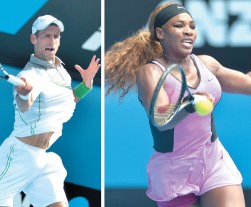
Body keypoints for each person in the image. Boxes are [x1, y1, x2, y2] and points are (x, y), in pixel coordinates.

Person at [105, 2, 251, 207]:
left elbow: (247, 83)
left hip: (213, 160)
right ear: (160, 33)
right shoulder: (150, 72)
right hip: (173, 172)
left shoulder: (208, 64)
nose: (188, 31)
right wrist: (190, 103)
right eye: (179, 26)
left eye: (192, 26)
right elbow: (161, 119)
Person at [0, 14, 100, 207]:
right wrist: (23, 94)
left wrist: (86, 86)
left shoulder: (61, 71)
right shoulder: (29, 76)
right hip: (18, 156)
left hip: (43, 159)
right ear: (34, 39)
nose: (52, 40)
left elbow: (67, 101)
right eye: (46, 35)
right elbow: (24, 105)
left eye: (56, 36)